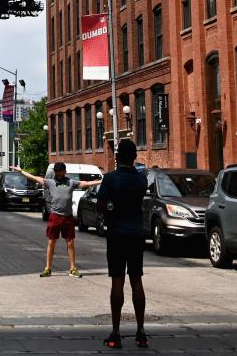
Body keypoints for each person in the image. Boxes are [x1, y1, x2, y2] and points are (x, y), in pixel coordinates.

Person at [97, 139, 149, 349]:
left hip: (117, 234)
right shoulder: (142, 180)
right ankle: (141, 332)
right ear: (135, 156)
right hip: (136, 233)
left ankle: (116, 333)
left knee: (117, 281)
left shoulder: (110, 179)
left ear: (117, 157)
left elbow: (100, 206)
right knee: (137, 280)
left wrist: (111, 209)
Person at [11, 162, 101, 278]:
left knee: (70, 242)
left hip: (68, 217)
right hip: (55, 216)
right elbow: (34, 177)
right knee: (51, 242)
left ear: (64, 172)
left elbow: (87, 183)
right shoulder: (50, 182)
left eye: (60, 171)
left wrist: (102, 181)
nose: (58, 174)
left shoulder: (71, 182)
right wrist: (21, 171)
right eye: (57, 172)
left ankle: (73, 268)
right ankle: (47, 268)